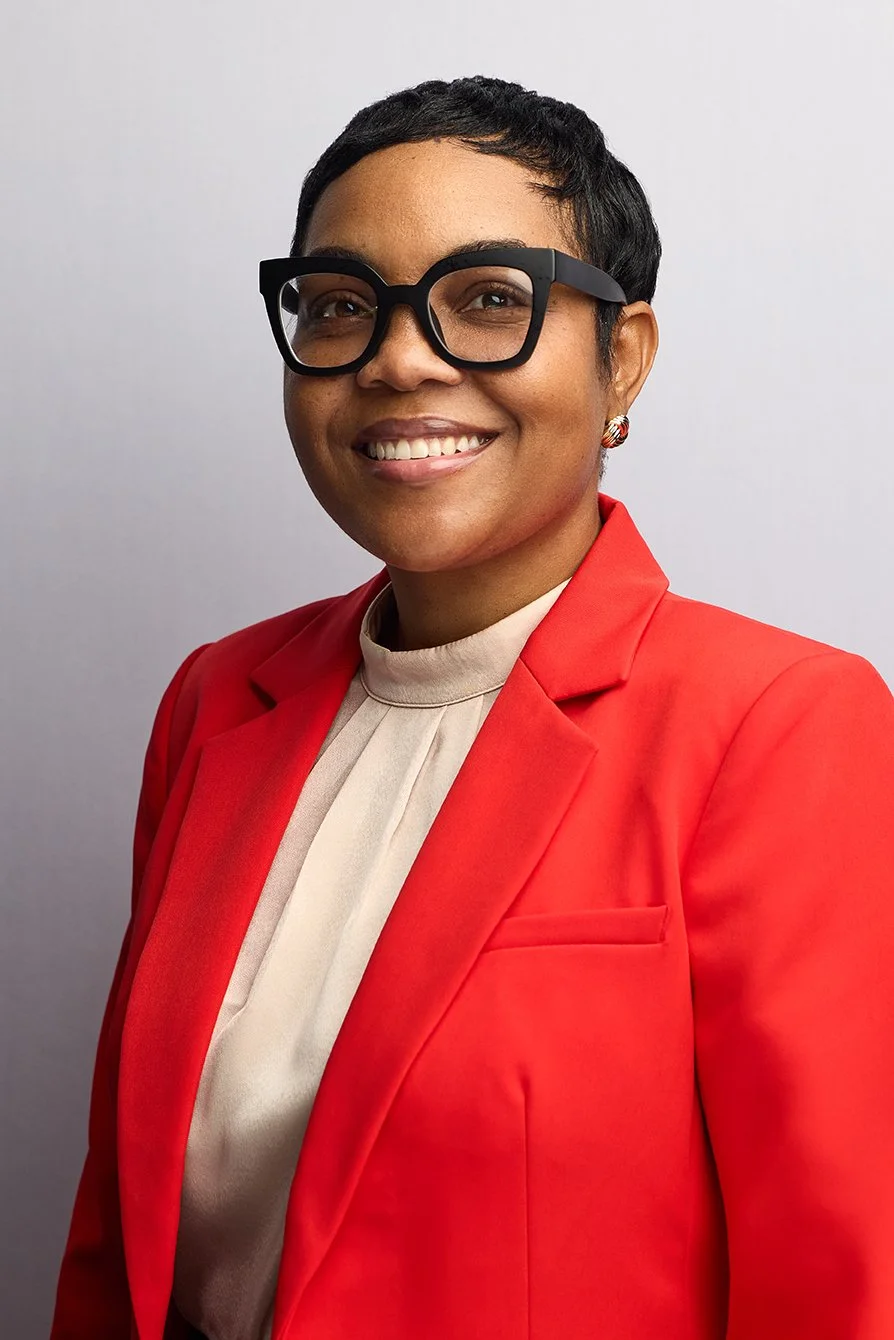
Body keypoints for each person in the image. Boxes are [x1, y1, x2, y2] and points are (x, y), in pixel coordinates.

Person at [51, 75, 894, 1340]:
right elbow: (120, 1241)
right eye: (341, 305)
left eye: (488, 299)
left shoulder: (778, 724)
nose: (397, 356)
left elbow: (840, 1285)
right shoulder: (217, 700)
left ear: (625, 360)